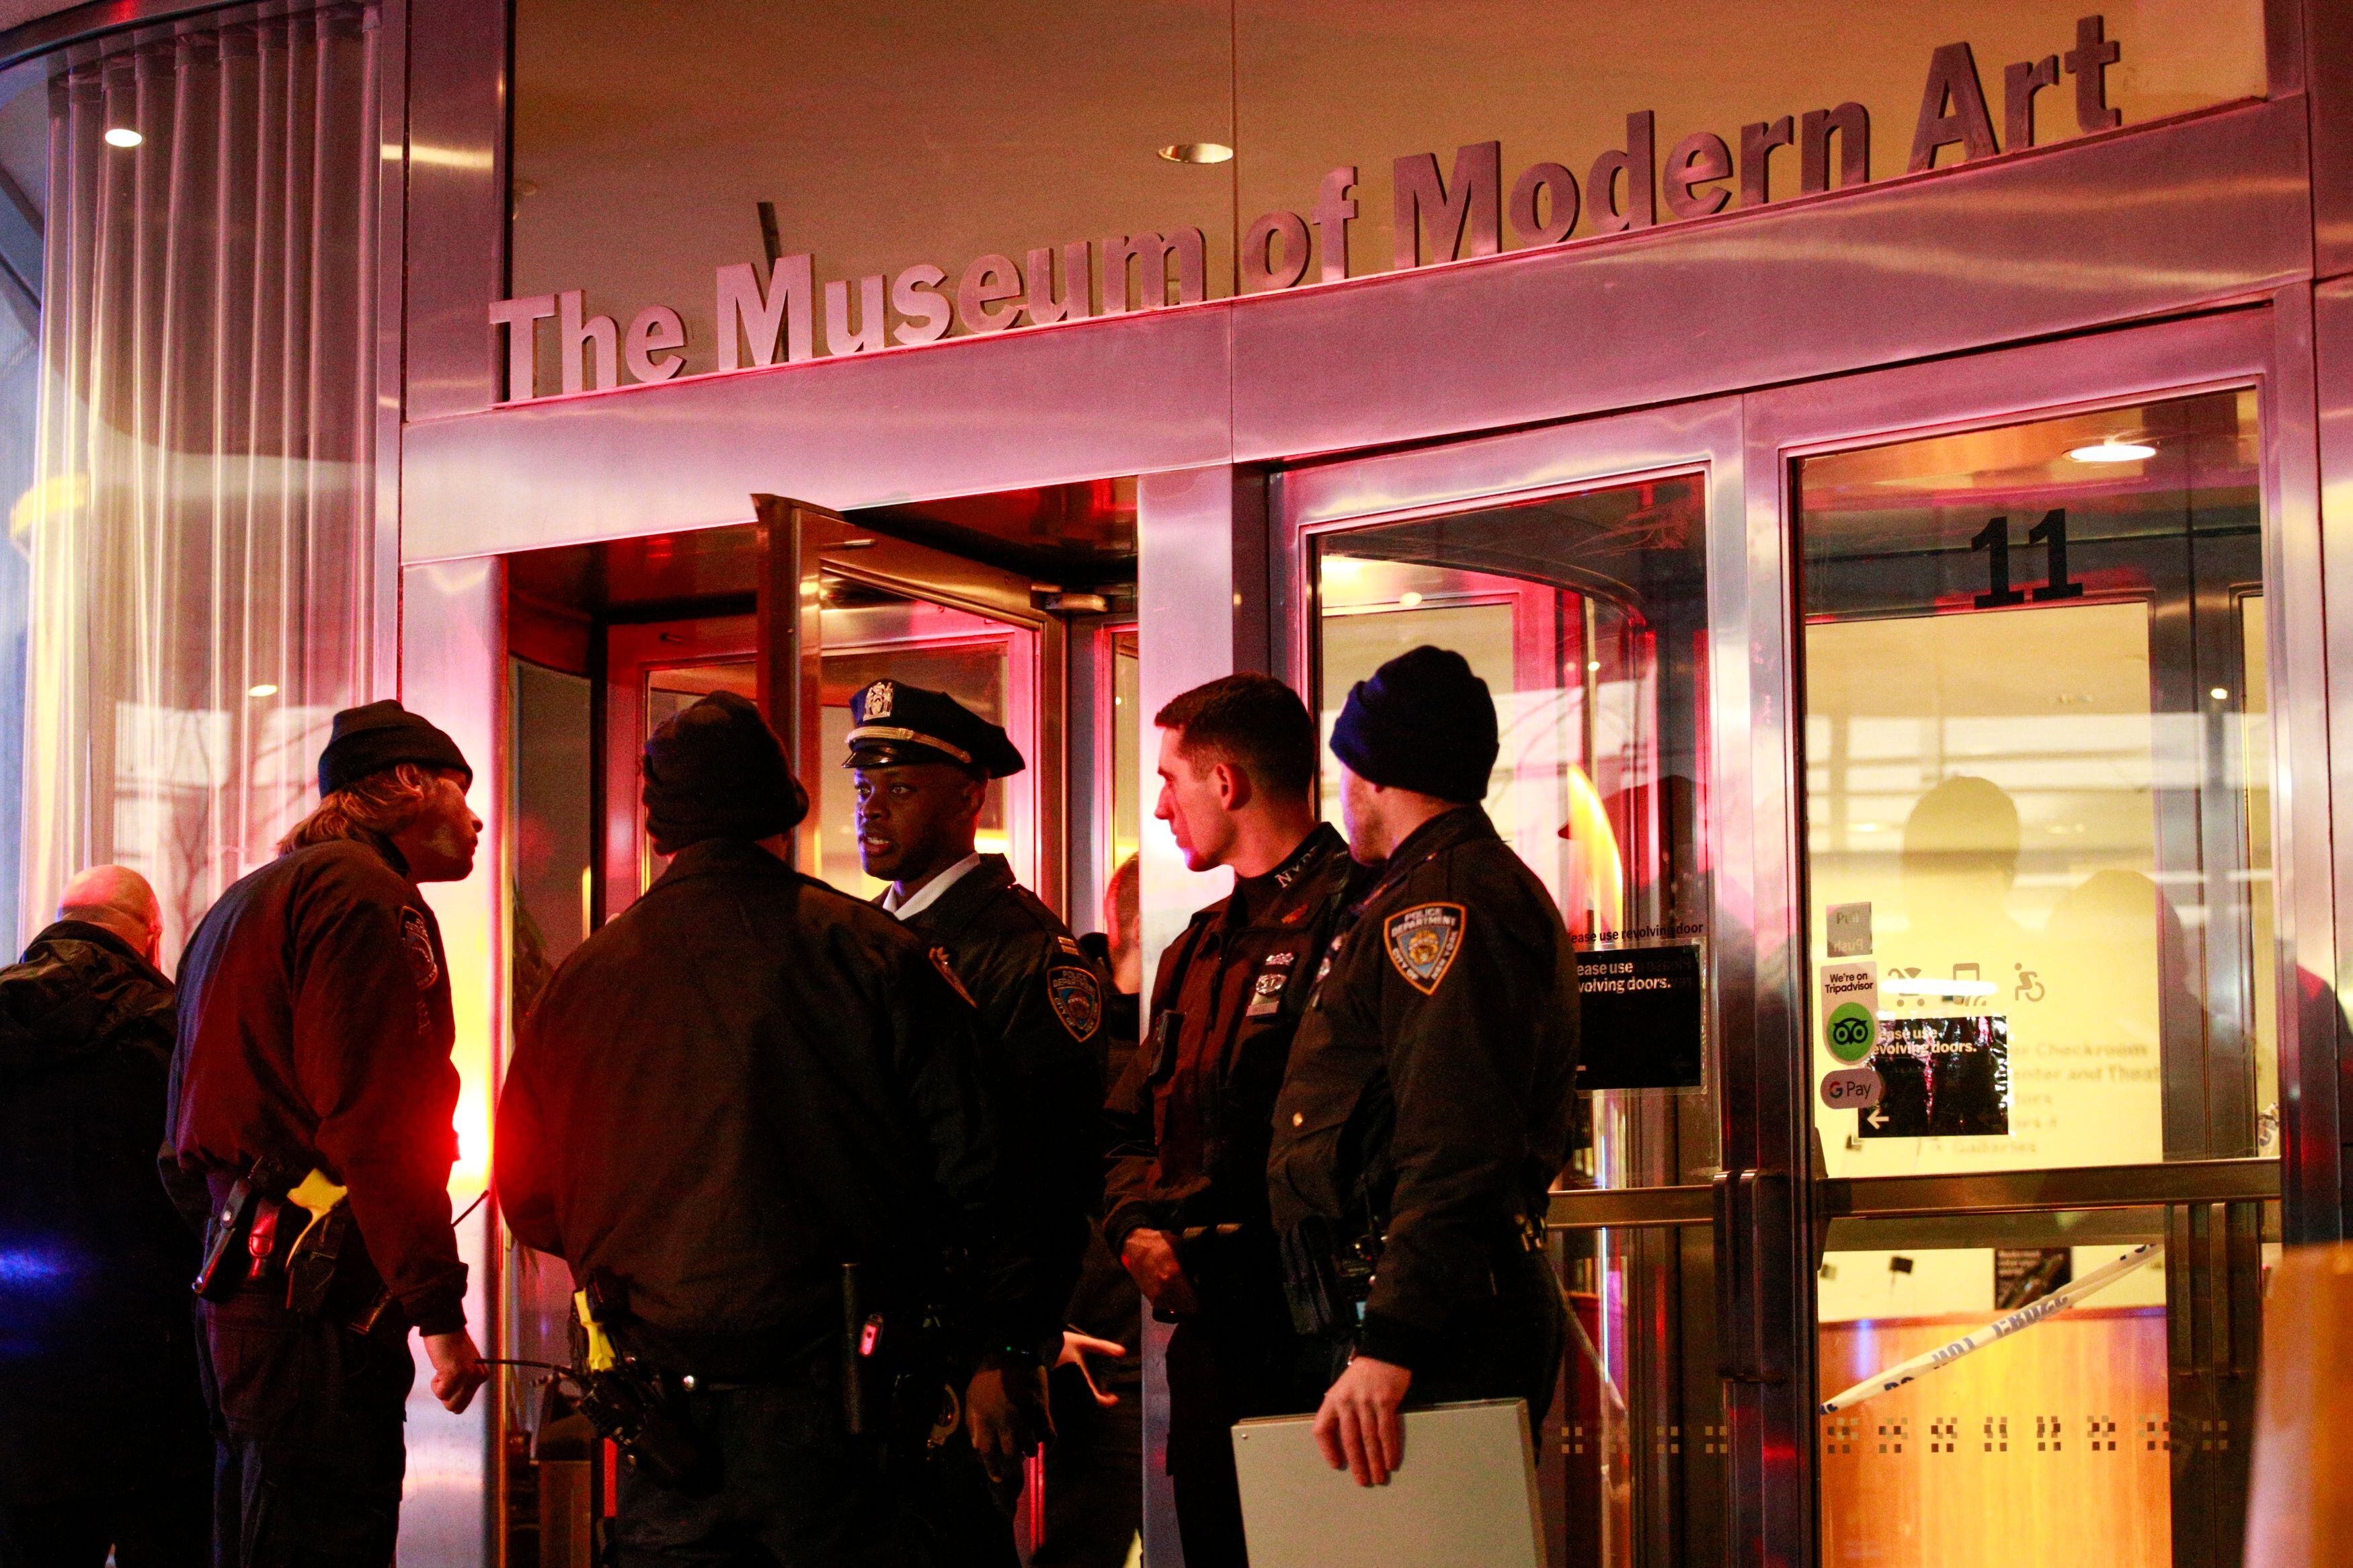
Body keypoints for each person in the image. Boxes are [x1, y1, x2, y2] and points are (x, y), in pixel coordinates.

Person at [497, 690, 1058, 1566]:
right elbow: (985, 1172)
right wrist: (1002, 1338)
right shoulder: (869, 954)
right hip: (845, 1419)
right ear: (784, 810)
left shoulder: (584, 979)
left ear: (660, 828)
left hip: (661, 1423)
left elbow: (529, 1198)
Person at [165, 700, 489, 1568]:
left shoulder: (242, 902)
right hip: (316, 1303)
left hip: (237, 1288)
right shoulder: (368, 896)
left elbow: (178, 1133)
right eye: (461, 791)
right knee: (324, 1533)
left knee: (255, 1529)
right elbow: (380, 1119)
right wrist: (437, 1310)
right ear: (409, 783)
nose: (477, 819)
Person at [1267, 646, 1580, 1489]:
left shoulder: (1440, 906)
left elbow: (1455, 1136)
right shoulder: (1425, 890)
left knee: (1432, 1540)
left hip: (1436, 1322)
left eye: (1344, 768)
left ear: (1373, 773)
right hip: (1426, 1307)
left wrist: (1391, 1339)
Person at [844, 679, 1105, 1565]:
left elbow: (1047, 1172)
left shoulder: (1025, 954)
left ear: (967, 798)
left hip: (958, 1340)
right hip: (867, 1333)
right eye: (864, 786)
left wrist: (1008, 1345)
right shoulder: (860, 938)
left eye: (900, 787)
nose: (872, 808)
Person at [1103, 674, 1358, 1566]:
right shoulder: (1197, 946)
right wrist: (1132, 1225)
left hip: (1326, 1337)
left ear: (1225, 781)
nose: (1161, 808)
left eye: (1169, 780)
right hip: (1210, 1336)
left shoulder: (1359, 920)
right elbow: (1126, 1126)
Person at [0, 868, 208, 1567]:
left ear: (58, 920)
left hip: (19, 1367)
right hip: (155, 1365)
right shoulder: (177, 1026)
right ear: (152, 935)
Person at [1033, 854, 1145, 1568]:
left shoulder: (1191, 1024)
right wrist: (1040, 1328)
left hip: (1161, 1339)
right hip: (1101, 1351)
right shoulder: (1067, 1034)